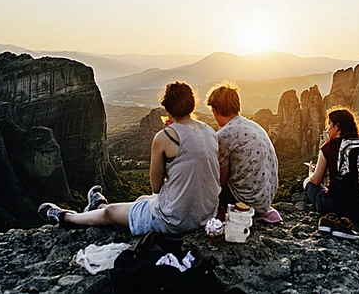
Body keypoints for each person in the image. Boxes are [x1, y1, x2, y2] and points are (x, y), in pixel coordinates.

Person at [38, 81, 220, 235]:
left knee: (111, 212)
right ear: (193, 105)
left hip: (176, 221)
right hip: (205, 215)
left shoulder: (166, 137)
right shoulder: (210, 131)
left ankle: (66, 217)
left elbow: (156, 187)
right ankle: (97, 204)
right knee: (141, 199)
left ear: (167, 108)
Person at [206, 82, 278, 216]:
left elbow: (220, 180)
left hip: (245, 202)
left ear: (215, 110)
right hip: (265, 200)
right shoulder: (254, 126)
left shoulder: (223, 136)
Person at [303, 108, 359, 239]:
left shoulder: (329, 146)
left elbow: (316, 180)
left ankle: (332, 220)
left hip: (334, 206)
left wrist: (310, 173)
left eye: (329, 124)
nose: (326, 127)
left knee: (308, 182)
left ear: (337, 126)